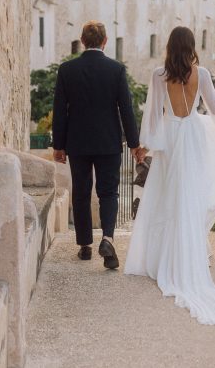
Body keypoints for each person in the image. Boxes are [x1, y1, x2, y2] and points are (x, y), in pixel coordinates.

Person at [125, 26, 215, 325]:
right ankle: (190, 254)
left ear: (170, 46)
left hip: (171, 138)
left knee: (166, 197)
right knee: (191, 195)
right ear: (191, 46)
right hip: (194, 136)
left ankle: (162, 257)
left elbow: (153, 114)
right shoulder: (203, 74)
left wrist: (145, 146)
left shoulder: (159, 75)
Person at [52, 21, 141, 269]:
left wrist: (58, 145)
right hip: (109, 142)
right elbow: (126, 110)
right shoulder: (116, 70)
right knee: (108, 192)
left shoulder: (67, 70)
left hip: (77, 142)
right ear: (105, 41)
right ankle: (108, 238)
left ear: (82, 41)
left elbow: (59, 111)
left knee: (81, 192)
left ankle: (85, 246)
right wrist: (134, 144)